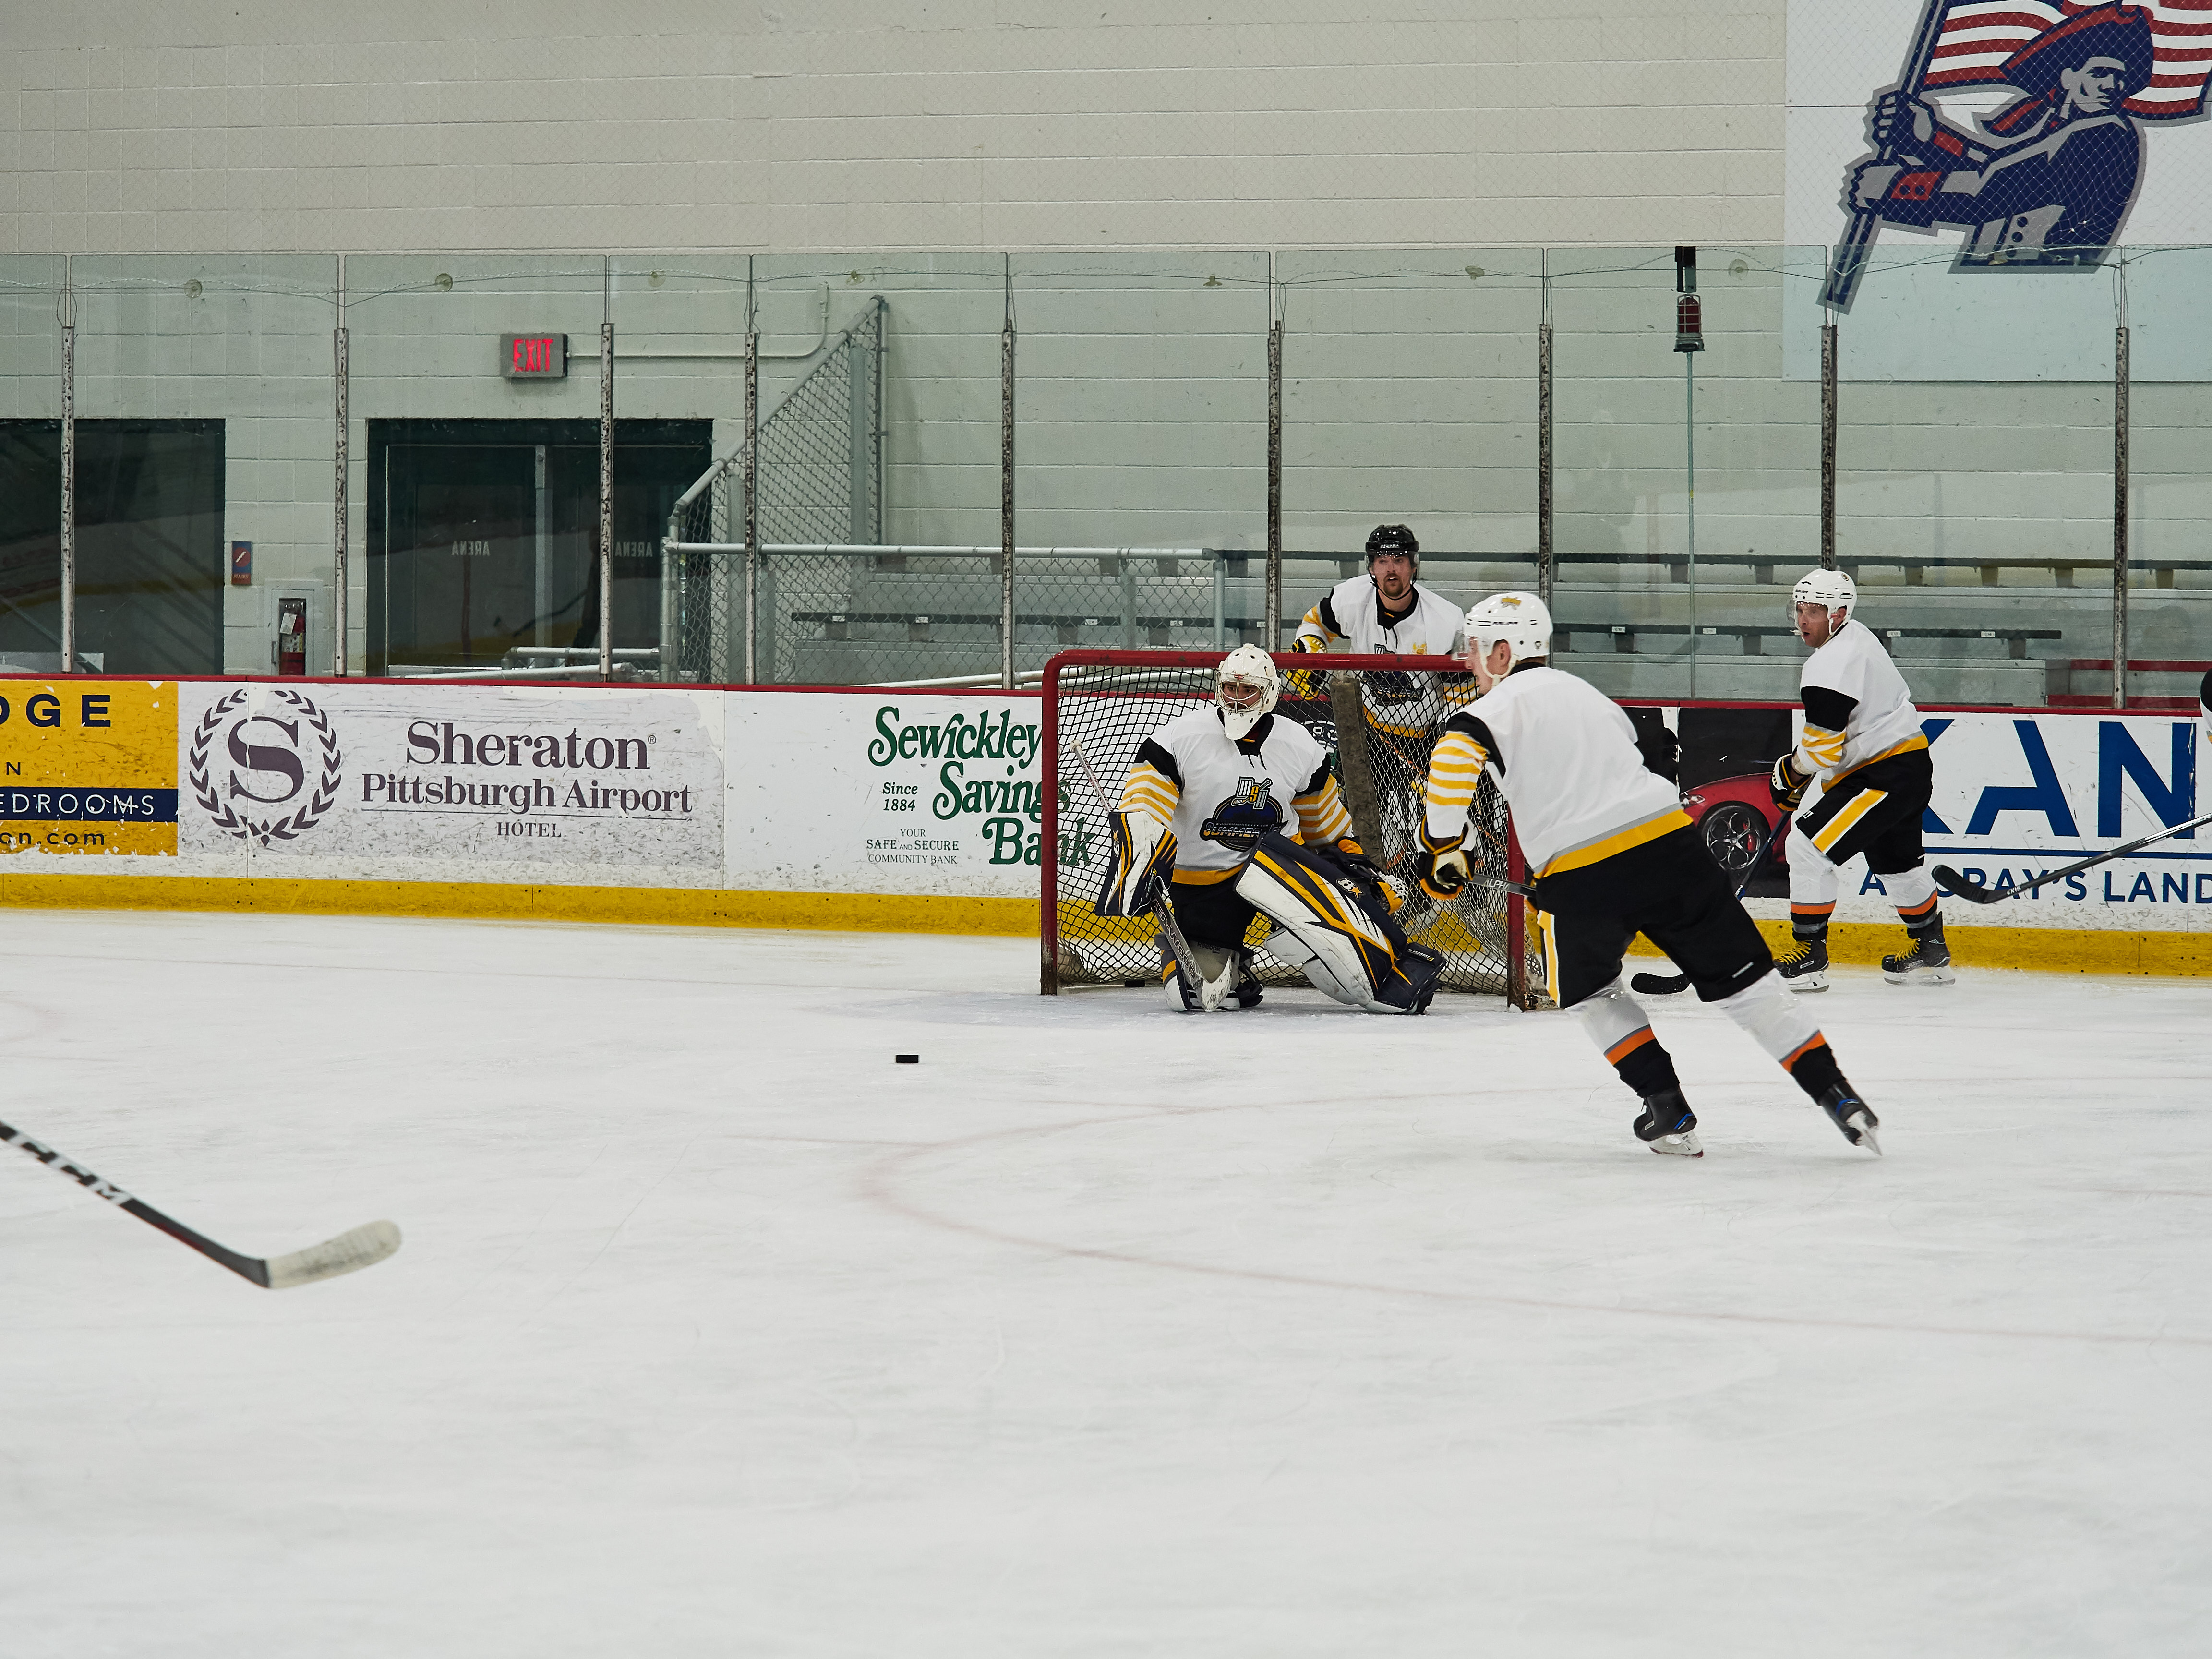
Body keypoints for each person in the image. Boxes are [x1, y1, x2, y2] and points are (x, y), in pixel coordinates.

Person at [1417, 591, 1881, 1157]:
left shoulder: (1485, 713)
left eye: (1476, 648)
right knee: (1750, 986)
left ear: (1503, 653)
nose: (1468, 661)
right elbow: (1650, 754)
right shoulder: (1588, 694)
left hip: (1581, 875)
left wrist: (1443, 848)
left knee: (1590, 994)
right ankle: (1837, 1093)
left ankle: (1665, 1102)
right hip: (1672, 849)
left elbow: (1451, 762)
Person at [1095, 644, 1445, 1016]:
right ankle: (1224, 960)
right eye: (1230, 687)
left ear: (1269, 693)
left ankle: (1387, 972)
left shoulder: (1300, 746)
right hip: (1203, 883)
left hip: (1280, 872)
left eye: (1248, 690)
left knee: (1347, 961)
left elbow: (1327, 830)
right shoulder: (1179, 739)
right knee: (1191, 994)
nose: (1236, 698)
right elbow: (1144, 805)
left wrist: (1359, 875)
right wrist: (1140, 855)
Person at [1849, 5, 2155, 269]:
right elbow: (1999, 165)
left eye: (2120, 77)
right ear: (2067, 78)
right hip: (2014, 277)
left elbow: (1991, 192)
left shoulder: (2105, 133)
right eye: (2099, 73)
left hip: (2045, 280)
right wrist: (1929, 138)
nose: (2112, 86)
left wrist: (1890, 187)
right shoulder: (2063, 128)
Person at [1769, 569, 1950, 991]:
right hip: (1907, 768)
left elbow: (1820, 753)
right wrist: (1801, 769)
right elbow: (1833, 740)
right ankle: (1932, 950)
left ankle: (1809, 957)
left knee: (1806, 848)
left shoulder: (1829, 664)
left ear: (1839, 613)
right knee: (1898, 864)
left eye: (1815, 611)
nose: (1804, 619)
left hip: (1880, 776)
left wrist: (1789, 773)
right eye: (1800, 608)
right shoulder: (1857, 636)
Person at [1291, 524, 1466, 658]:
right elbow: (1315, 623)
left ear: (1414, 566)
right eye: (1382, 561)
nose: (1391, 569)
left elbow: (1458, 691)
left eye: (1398, 560)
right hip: (1361, 698)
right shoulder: (1350, 597)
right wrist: (1310, 647)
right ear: (1372, 568)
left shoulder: (1447, 621)